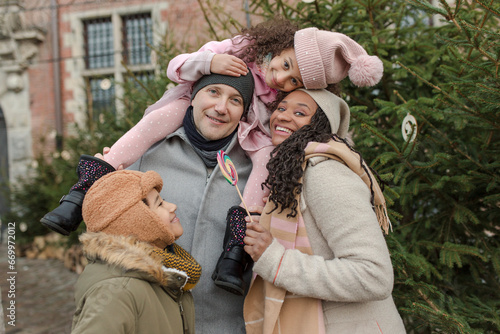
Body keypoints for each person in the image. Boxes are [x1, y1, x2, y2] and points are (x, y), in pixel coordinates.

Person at [243, 89, 406, 333]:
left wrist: (275, 260)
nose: (283, 116)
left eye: (300, 112)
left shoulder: (324, 173)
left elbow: (374, 275)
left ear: (320, 124)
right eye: (281, 107)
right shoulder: (292, 175)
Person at [71, 169, 201, 334]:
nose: (172, 206)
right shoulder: (117, 291)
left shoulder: (163, 275)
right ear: (136, 222)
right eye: (160, 204)